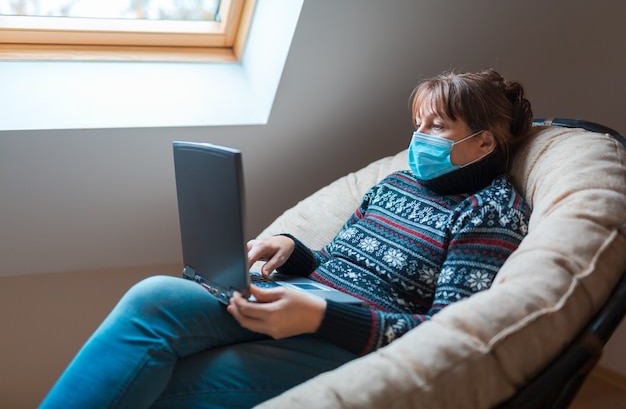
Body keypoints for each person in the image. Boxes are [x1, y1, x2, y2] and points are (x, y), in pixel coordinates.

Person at [39, 69, 534, 409]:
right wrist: (296, 255)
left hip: (350, 342)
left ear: (484, 142)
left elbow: (444, 334)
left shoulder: (490, 213)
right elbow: (341, 264)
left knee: (174, 384)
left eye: (437, 125)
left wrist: (320, 317)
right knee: (154, 295)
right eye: (417, 123)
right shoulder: (396, 182)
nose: (418, 137)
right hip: (306, 299)